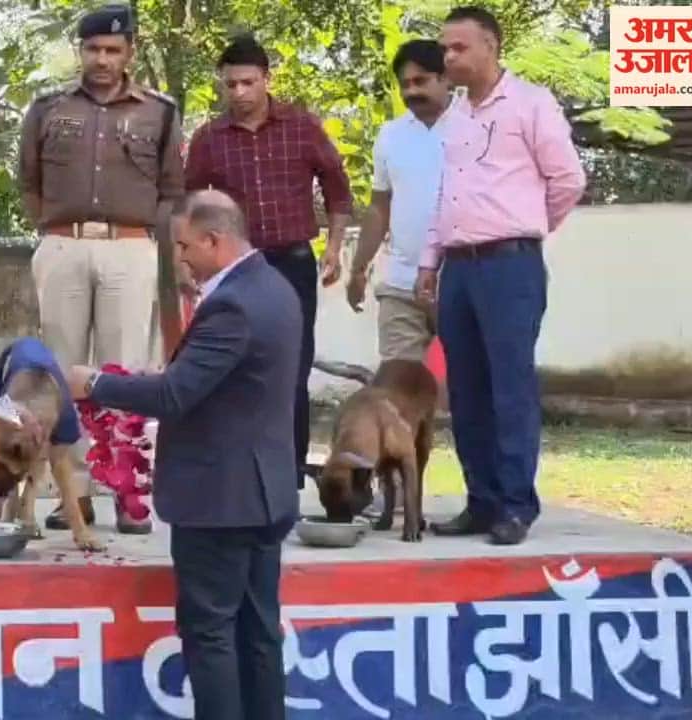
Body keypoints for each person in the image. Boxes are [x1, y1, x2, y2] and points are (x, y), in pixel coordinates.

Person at [68, 190, 300, 720]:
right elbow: (219, 383)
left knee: (211, 633)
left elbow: (176, 395)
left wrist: (96, 383)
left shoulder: (233, 304)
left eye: (183, 246)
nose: (180, 259)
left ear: (215, 240)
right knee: (259, 633)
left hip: (221, 499)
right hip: (263, 492)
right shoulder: (274, 287)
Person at [415, 6, 585, 545]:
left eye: (459, 47)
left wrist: (524, 230)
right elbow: (446, 195)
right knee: (465, 389)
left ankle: (516, 505)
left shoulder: (532, 104)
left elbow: (567, 180)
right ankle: (482, 501)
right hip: (459, 269)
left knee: (510, 387)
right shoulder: (455, 116)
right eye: (446, 48)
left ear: (491, 46)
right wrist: (429, 261)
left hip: (511, 265)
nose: (449, 57)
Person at [18, 3, 184, 535]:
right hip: (64, 245)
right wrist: (52, 230)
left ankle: (128, 496)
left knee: (125, 373)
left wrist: (159, 249)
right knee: (62, 374)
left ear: (130, 52)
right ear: (80, 51)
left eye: (113, 50)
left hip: (131, 248)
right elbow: (29, 180)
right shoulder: (48, 108)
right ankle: (75, 496)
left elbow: (172, 189)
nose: (102, 59)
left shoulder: (159, 112)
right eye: (93, 49)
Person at [184, 34, 352, 490]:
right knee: (229, 369)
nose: (239, 93)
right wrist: (189, 267)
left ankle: (288, 475)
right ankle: (235, 474)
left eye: (247, 83)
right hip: (234, 270)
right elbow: (192, 207)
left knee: (292, 368)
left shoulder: (300, 126)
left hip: (293, 263)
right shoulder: (209, 139)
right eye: (230, 85)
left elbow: (338, 188)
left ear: (266, 80)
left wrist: (334, 247)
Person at [347, 39, 449, 361]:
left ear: (446, 78)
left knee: (471, 387)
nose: (410, 92)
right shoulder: (390, 135)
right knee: (397, 387)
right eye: (405, 84)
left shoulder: (474, 124)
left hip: (464, 283)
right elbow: (379, 207)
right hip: (402, 285)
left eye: (421, 81)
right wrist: (359, 269)